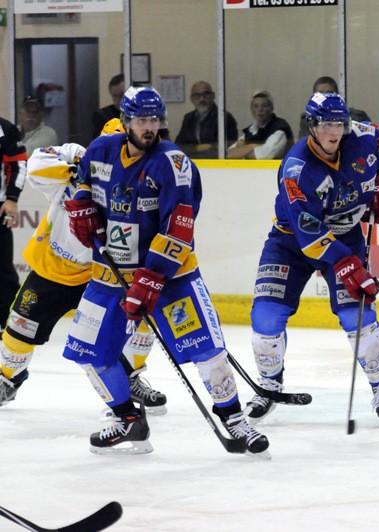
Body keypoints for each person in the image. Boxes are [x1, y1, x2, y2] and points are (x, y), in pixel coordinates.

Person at [62, 86, 268, 455]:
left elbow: (180, 226)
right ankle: (127, 419)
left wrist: (152, 275)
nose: (148, 127)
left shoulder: (172, 163)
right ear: (125, 120)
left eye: (154, 119)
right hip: (110, 276)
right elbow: (83, 186)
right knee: (90, 353)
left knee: (208, 352)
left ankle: (234, 419)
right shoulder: (100, 150)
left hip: (171, 278)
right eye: (141, 119)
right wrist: (80, 207)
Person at [247, 92, 379, 425]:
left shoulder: (364, 135)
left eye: (339, 123)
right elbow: (309, 232)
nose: (334, 131)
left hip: (344, 234)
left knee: (356, 317)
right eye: (327, 124)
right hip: (291, 242)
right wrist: (347, 265)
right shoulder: (296, 168)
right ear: (311, 126)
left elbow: (378, 148)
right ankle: (270, 384)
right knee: (266, 320)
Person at [0, 119, 166, 414]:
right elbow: (36, 164)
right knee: (20, 330)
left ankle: (130, 377)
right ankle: (7, 379)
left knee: (137, 323)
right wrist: (76, 170)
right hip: (55, 269)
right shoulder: (77, 156)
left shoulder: (140, 181)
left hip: (103, 275)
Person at [0, 116, 27, 331]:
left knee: (2, 267)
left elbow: (19, 162)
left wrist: (12, 198)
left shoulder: (5, 129)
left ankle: (5, 319)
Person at [175, 81, 238, 158]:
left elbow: (230, 146)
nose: (202, 99)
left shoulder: (224, 117)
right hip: (191, 163)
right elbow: (179, 146)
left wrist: (196, 149)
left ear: (213, 96)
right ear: (192, 98)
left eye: (206, 94)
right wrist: (197, 148)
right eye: (197, 95)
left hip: (216, 164)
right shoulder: (188, 118)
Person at [227, 90, 294, 160]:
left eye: (264, 106)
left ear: (271, 108)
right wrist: (252, 146)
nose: (260, 109)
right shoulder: (251, 130)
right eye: (256, 106)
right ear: (251, 110)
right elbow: (229, 154)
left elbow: (257, 157)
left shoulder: (280, 129)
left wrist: (242, 149)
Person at [296, 77, 371, 138]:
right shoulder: (308, 120)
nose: (325, 97)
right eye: (320, 94)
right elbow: (305, 147)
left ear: (337, 96)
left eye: (329, 93)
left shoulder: (357, 117)